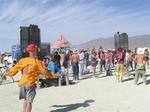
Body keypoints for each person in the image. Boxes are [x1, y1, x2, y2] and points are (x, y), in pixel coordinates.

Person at [4, 44, 58, 112]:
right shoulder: (37, 62)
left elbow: (14, 70)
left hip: (22, 83)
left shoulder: (23, 60)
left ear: (29, 51)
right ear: (35, 51)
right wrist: (51, 75)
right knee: (29, 102)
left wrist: (7, 73)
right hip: (30, 84)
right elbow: (44, 72)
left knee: (25, 100)